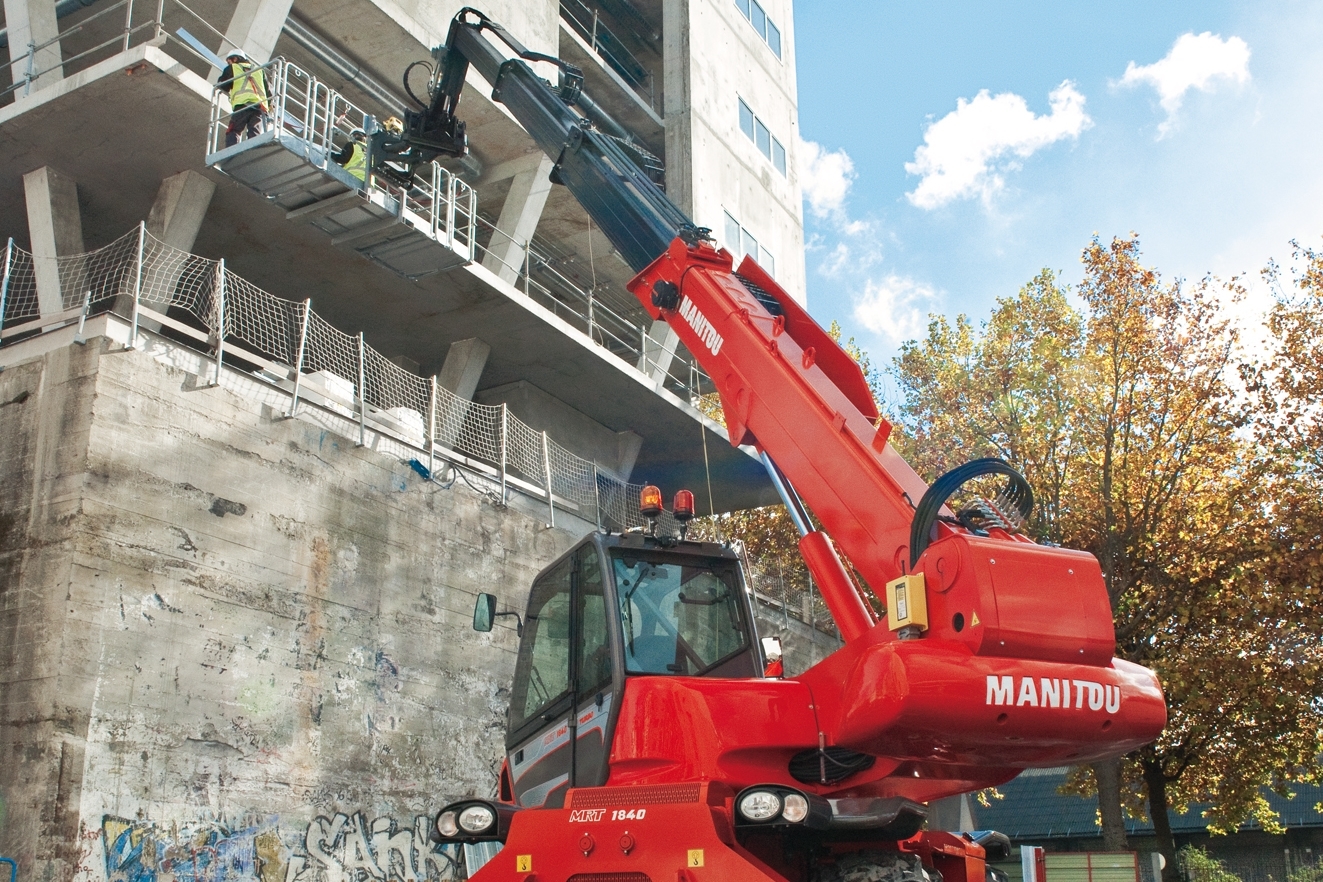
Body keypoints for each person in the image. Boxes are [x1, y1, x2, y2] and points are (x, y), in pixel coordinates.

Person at [217, 49, 268, 147]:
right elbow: (269, 91)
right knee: (254, 132)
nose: (228, 64)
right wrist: (270, 108)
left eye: (229, 62)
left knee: (234, 130)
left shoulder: (233, 68)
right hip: (260, 107)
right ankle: (254, 152)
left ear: (235, 59)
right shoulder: (259, 70)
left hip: (242, 105)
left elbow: (223, 85)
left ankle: (231, 154)